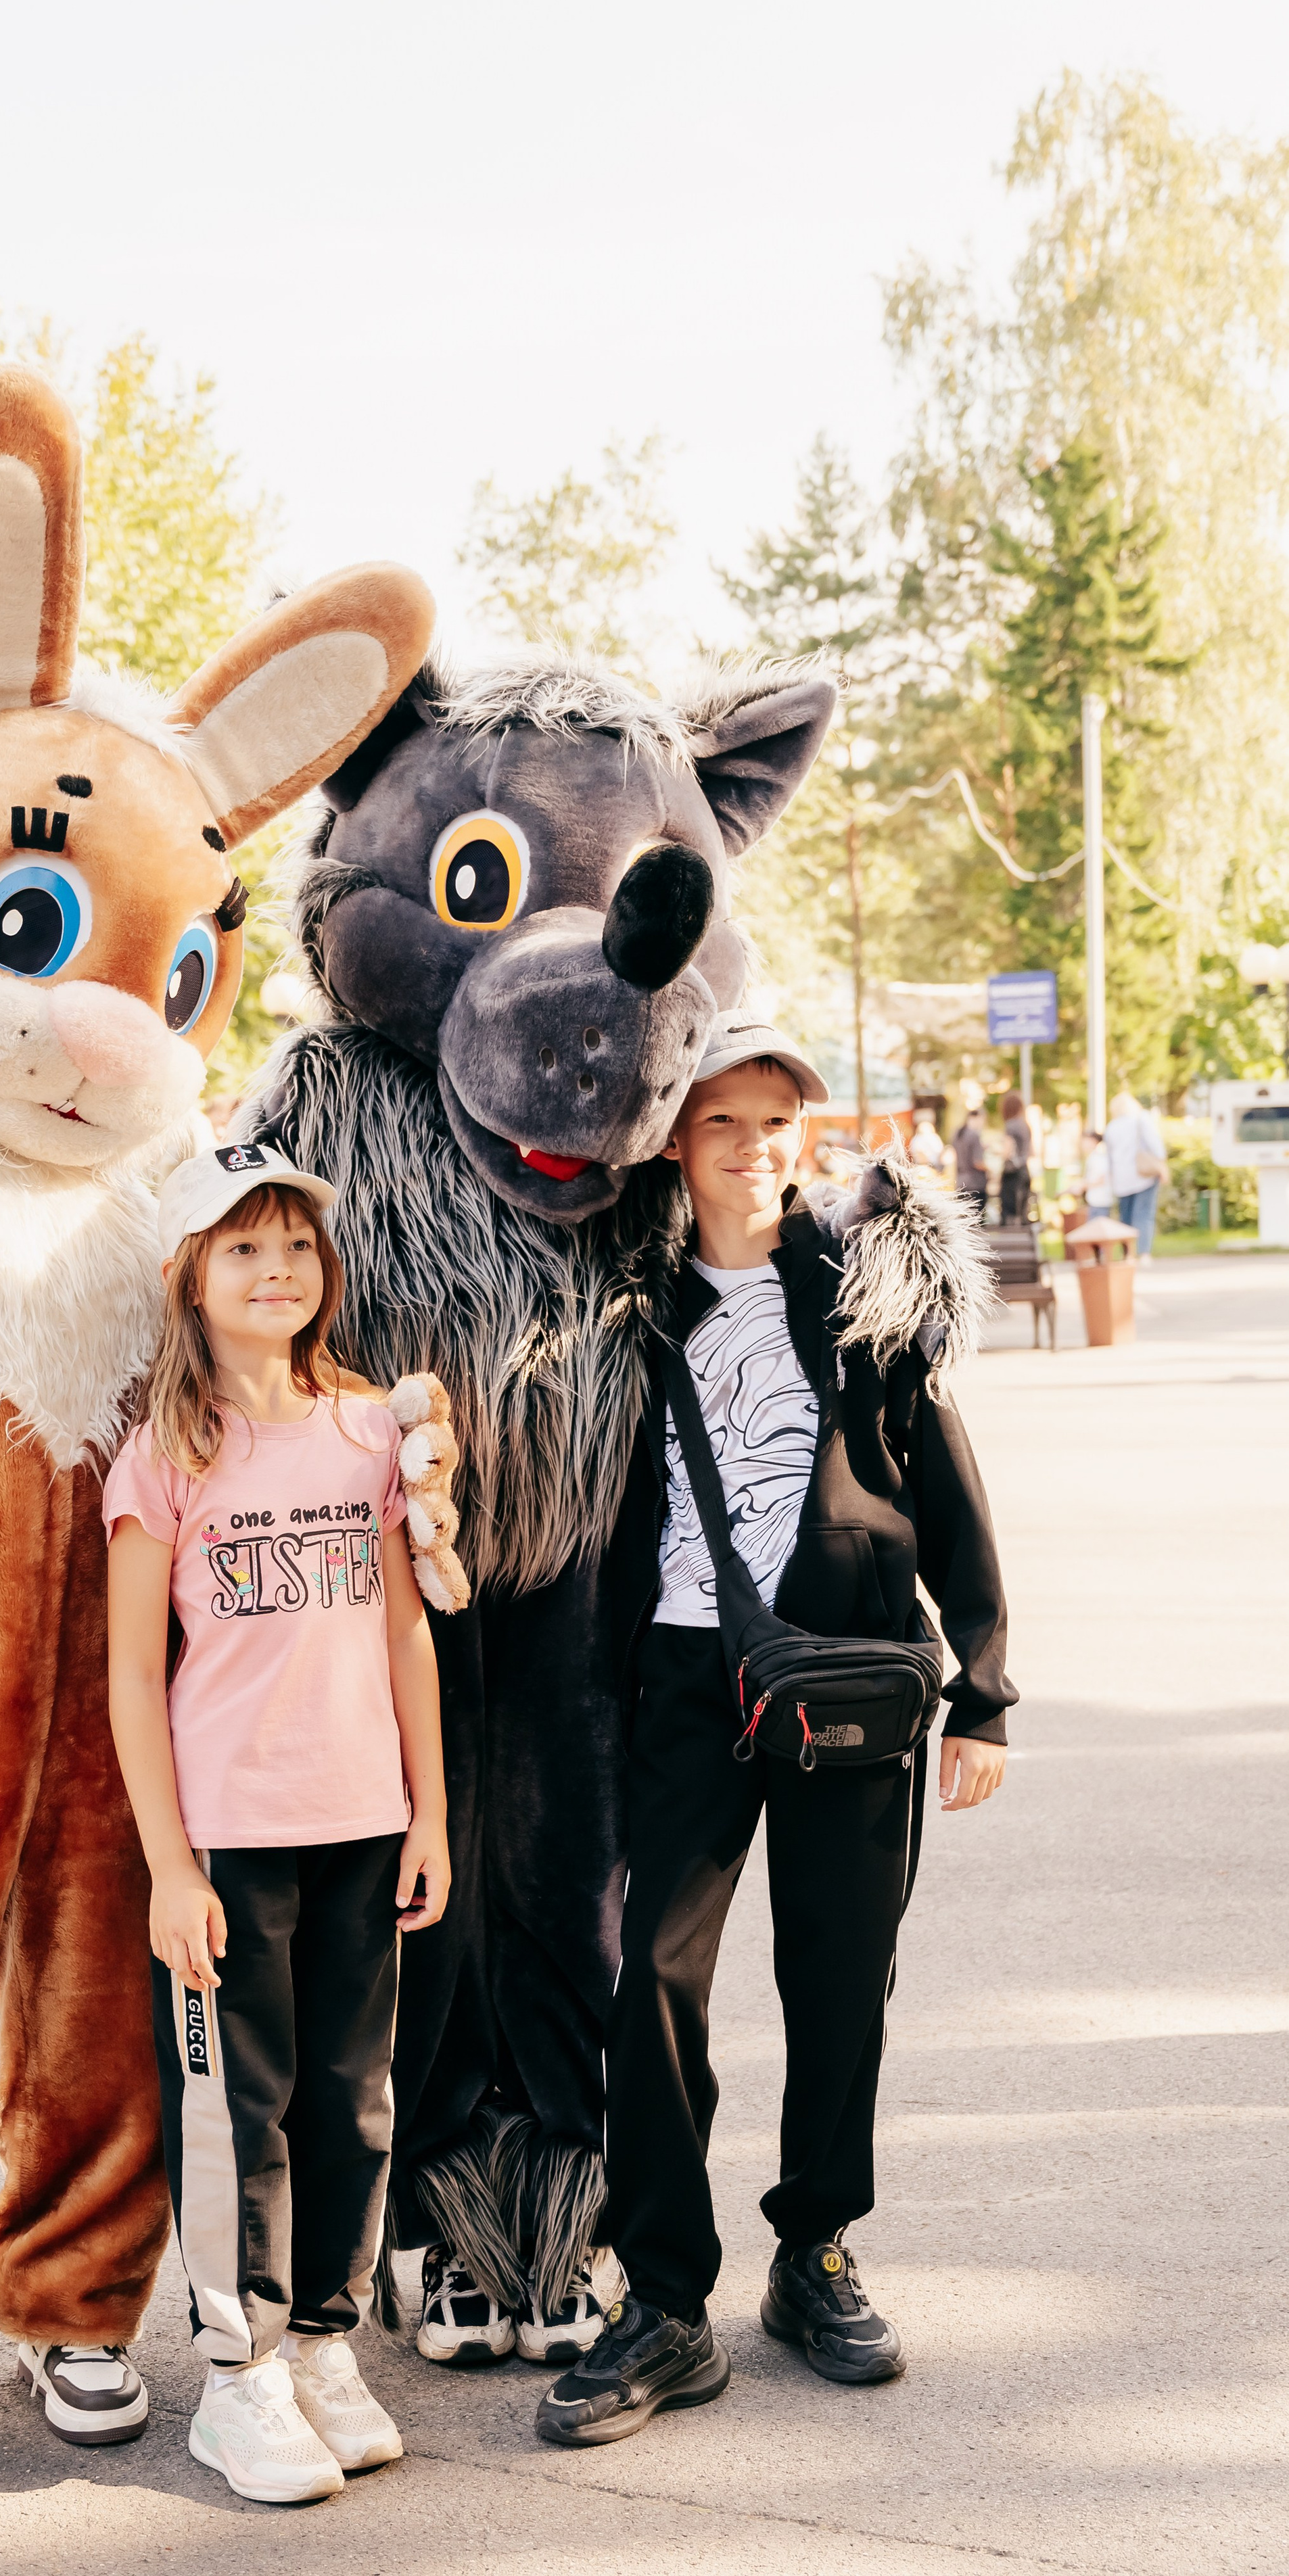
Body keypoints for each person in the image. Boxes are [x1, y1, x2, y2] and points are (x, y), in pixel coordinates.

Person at [536, 1013, 1013, 2449]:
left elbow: (946, 1485)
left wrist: (979, 1691)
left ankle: (813, 2251)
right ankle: (664, 2303)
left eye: (776, 1125)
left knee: (835, 1977)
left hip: (851, 1686)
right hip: (681, 1684)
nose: (754, 1151)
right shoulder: (619, 1305)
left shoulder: (864, 1288)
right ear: (675, 1149)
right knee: (654, 1989)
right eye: (721, 1125)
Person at [103, 1144, 450, 2507]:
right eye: (241, 1246)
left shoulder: (372, 1429)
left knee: (350, 2102)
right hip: (228, 1841)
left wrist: (427, 1810)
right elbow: (134, 1670)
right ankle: (236, 2378)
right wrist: (169, 1865)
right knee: (236, 2114)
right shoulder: (165, 1451)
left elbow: (407, 1631)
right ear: (189, 1275)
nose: (274, 1270)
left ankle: (320, 2342)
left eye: (295, 1245)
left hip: (363, 1822)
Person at [1104, 1091, 1167, 1257]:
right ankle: (1144, 1253)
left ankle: (1127, 1254)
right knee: (1144, 1214)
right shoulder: (1141, 1119)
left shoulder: (1111, 1127)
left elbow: (1109, 1157)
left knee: (1125, 1217)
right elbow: (1156, 1146)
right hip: (1143, 1175)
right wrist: (1161, 1165)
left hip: (1121, 1179)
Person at [998, 1089, 1033, 1224]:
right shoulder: (1026, 1126)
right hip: (1025, 1171)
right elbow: (1031, 1151)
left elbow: (1007, 1151)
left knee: (1010, 1214)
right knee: (1023, 1213)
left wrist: (996, 1152)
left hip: (1012, 1174)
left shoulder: (1010, 1126)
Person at [951, 1103, 989, 1217]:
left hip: (961, 1182)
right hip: (975, 1184)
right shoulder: (974, 1135)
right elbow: (977, 1162)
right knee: (977, 1221)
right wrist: (991, 1170)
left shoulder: (958, 1134)